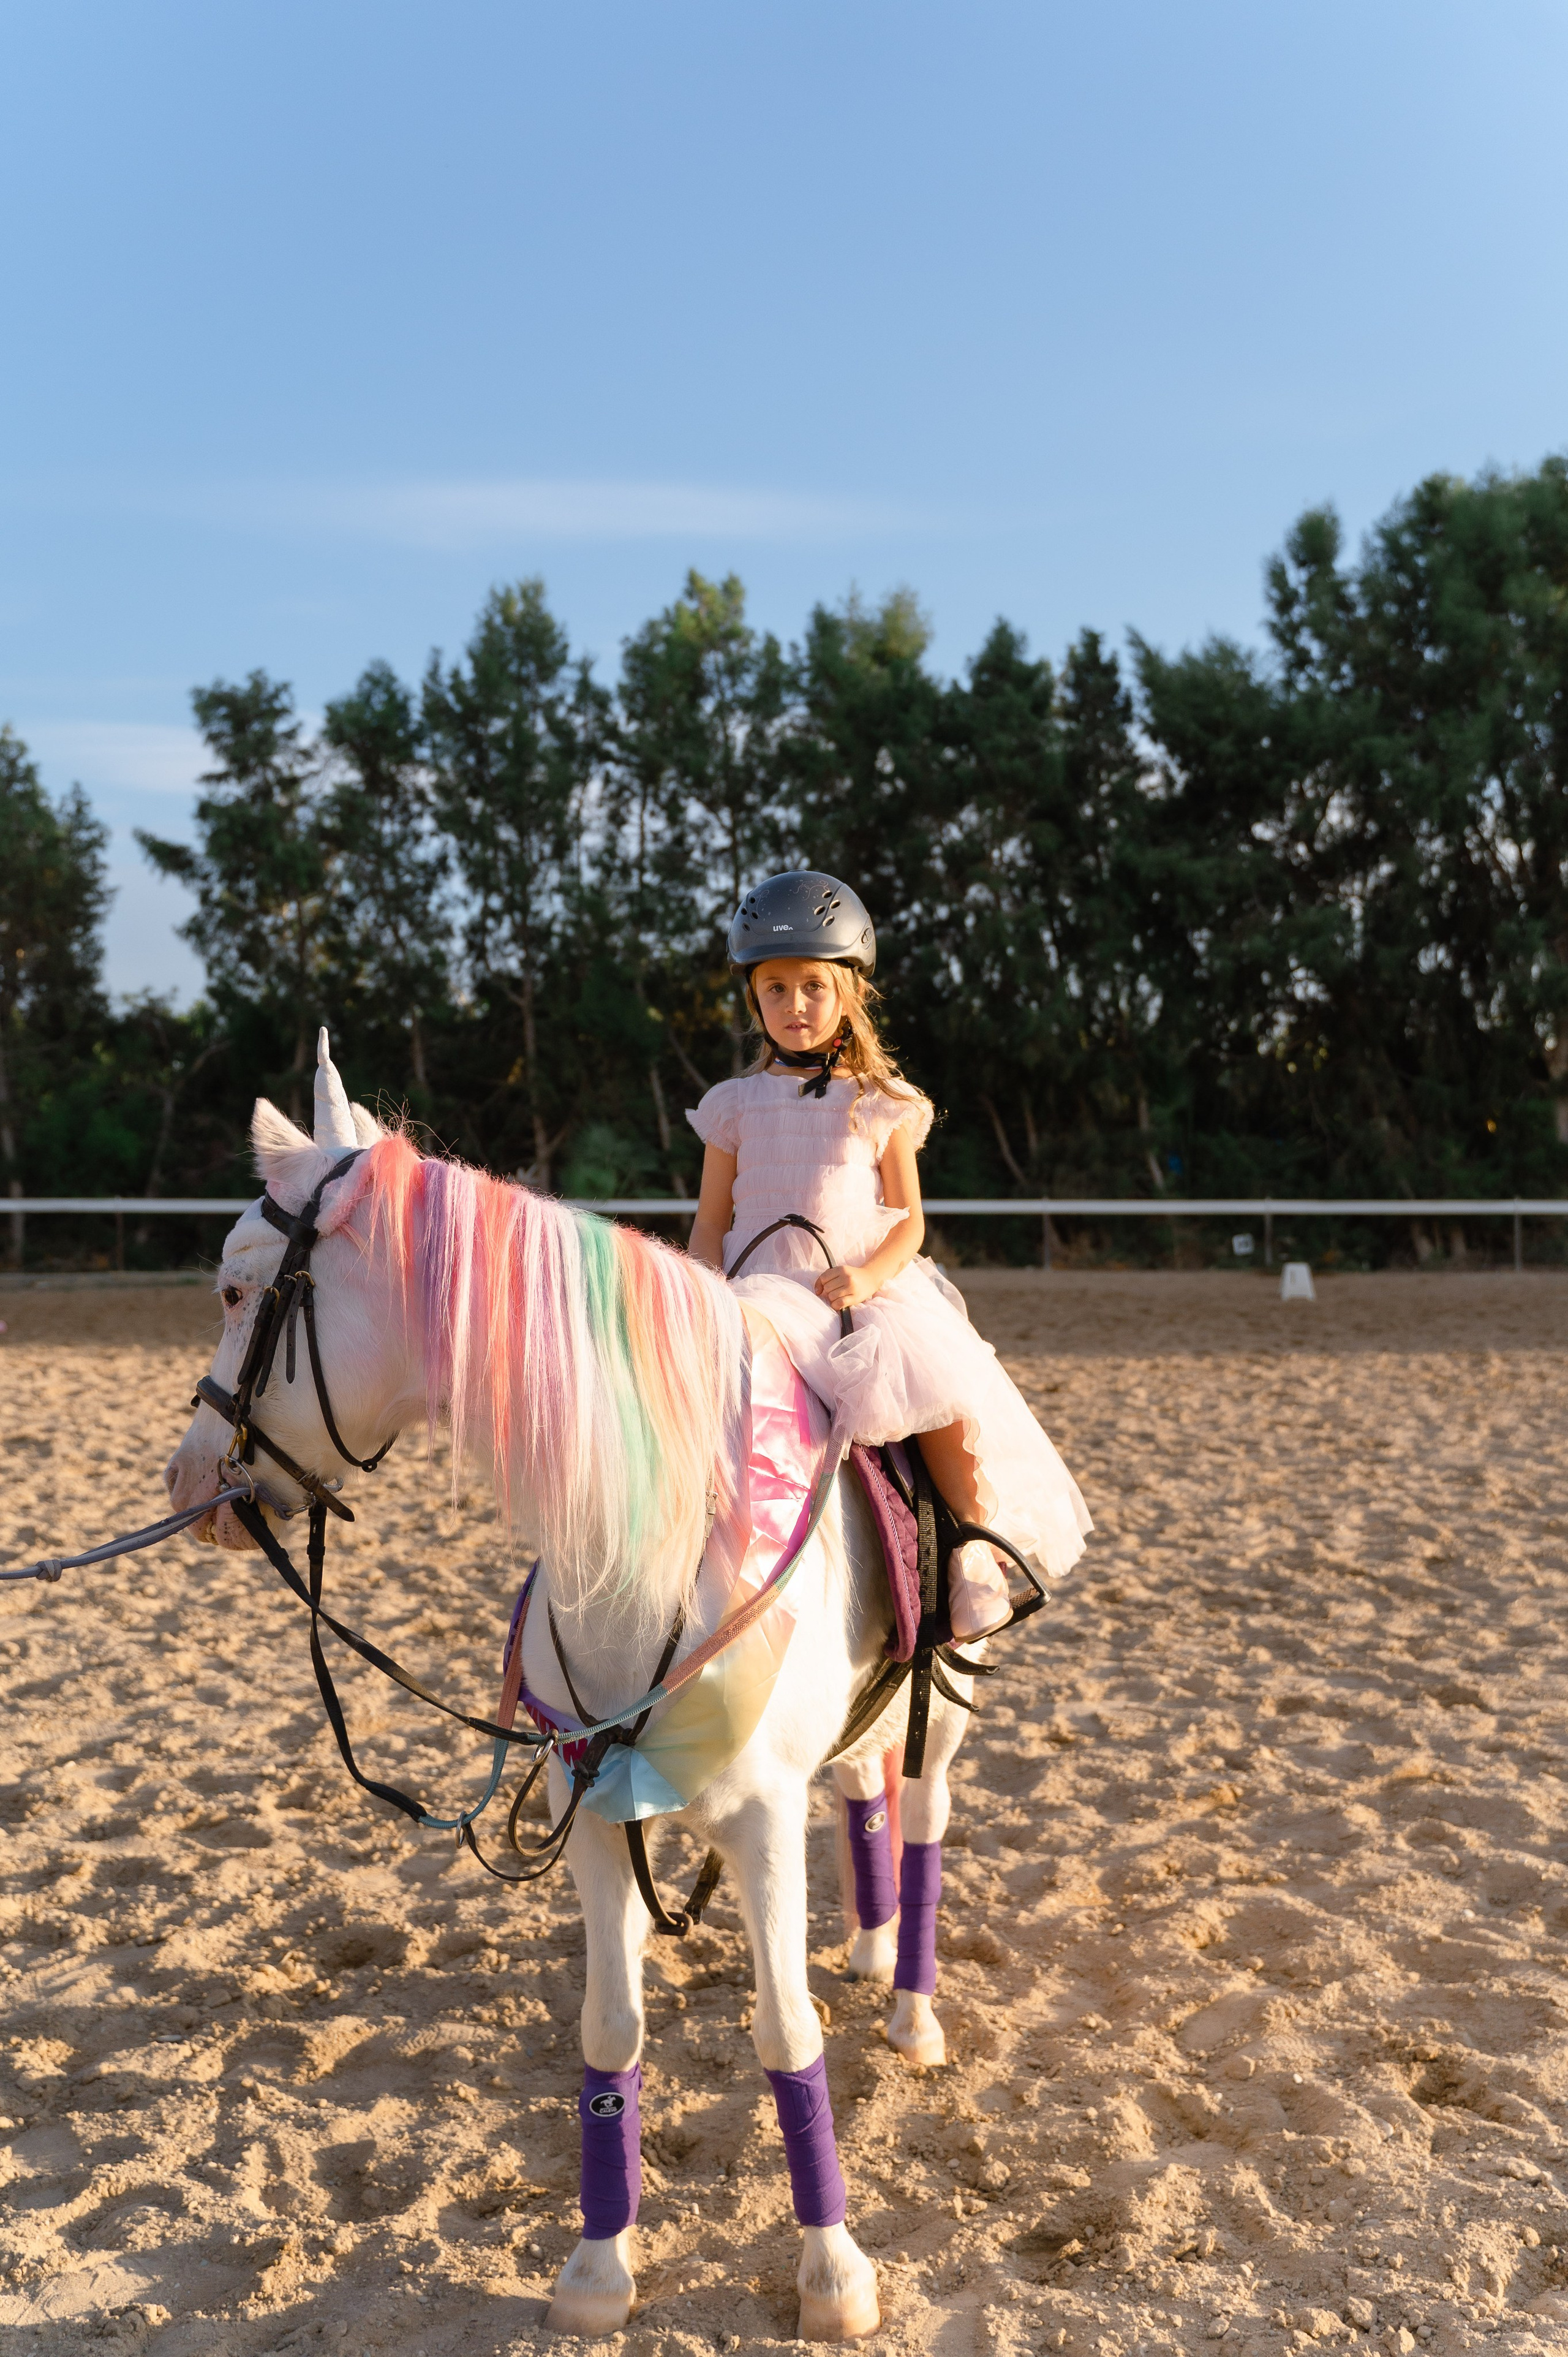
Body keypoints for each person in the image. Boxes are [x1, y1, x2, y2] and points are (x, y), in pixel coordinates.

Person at [686, 871, 1090, 1640]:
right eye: (775, 989)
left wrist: (869, 1275)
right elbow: (710, 1221)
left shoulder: (880, 1102)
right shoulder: (732, 1107)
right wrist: (702, 1289)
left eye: (812, 986)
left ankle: (971, 1551)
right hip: (757, 1293)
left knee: (933, 1383)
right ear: (754, 1001)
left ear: (847, 994)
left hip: (854, 1293)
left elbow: (909, 1226)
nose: (793, 1005)